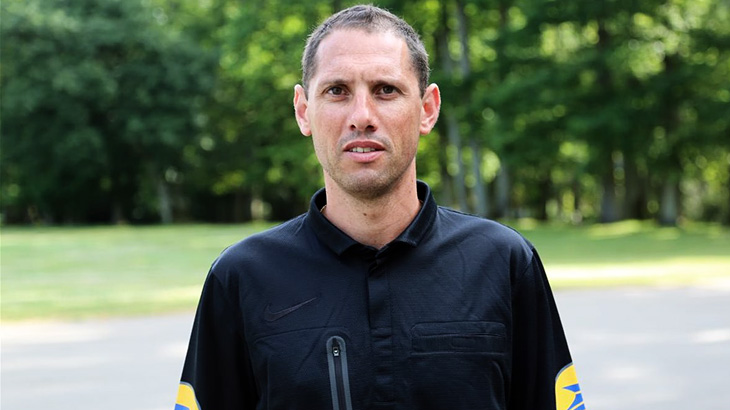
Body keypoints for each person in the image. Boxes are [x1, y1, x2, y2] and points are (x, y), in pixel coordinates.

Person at [175, 5, 584, 410]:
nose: (362, 117)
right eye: (337, 91)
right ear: (303, 111)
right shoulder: (241, 277)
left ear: (427, 109)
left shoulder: (504, 262)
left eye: (386, 90)